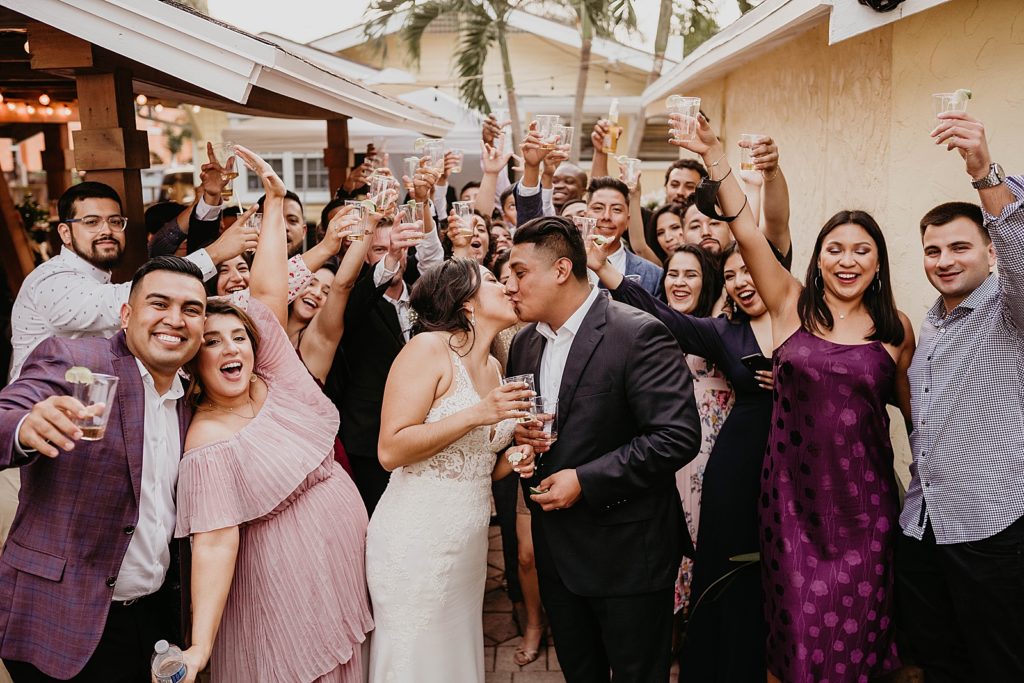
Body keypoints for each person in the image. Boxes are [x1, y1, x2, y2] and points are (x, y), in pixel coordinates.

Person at [670, 111, 916, 683]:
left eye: (861, 250)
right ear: (817, 257)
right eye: (835, 248)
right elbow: (749, 230)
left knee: (861, 642)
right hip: (792, 509)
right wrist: (714, 156)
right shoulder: (790, 304)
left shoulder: (896, 329)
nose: (846, 260)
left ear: (878, 261)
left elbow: (918, 419)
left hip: (867, 511)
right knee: (798, 645)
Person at [171, 146, 373, 683]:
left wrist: (277, 199)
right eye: (213, 341)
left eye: (240, 336)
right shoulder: (208, 440)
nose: (232, 347)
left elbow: (265, 291)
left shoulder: (274, 375)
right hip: (284, 586)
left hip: (340, 567)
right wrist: (199, 646)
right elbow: (213, 544)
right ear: (193, 359)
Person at [504, 216, 701, 682]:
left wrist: (584, 480)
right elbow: (540, 427)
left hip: (628, 551)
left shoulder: (636, 333)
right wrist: (525, 446)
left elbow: (676, 436)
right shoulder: (524, 344)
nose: (509, 285)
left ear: (559, 269)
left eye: (519, 272)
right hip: (558, 553)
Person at [0, 256, 207, 680]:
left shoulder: (192, 398)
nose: (175, 319)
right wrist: (26, 426)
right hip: (61, 615)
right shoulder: (75, 358)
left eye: (191, 309)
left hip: (154, 617)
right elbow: (8, 412)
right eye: (159, 304)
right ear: (126, 315)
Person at [593, 238, 784, 680]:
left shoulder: (806, 324)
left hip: (796, 462)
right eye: (732, 274)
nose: (740, 282)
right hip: (726, 462)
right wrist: (603, 267)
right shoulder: (725, 333)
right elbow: (662, 316)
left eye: (748, 270)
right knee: (718, 564)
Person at [896, 113, 1024, 681]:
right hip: (924, 526)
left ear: (991, 252)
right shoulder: (934, 320)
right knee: (939, 660)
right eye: (932, 250)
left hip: (992, 527)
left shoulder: (1009, 309)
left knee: (999, 662)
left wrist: (983, 172)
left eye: (959, 247)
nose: (944, 259)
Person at [366, 258, 535, 682]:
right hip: (416, 538)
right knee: (415, 658)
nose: (508, 286)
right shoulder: (428, 349)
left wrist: (516, 457)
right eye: (496, 280)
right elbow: (390, 449)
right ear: (467, 302)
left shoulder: (495, 368)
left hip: (467, 541)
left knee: (453, 655)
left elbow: (480, 465)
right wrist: (478, 413)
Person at [8, 181, 248, 381]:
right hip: (40, 418)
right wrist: (216, 253)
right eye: (92, 222)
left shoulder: (96, 279)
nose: (107, 231)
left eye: (114, 221)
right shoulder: (50, 279)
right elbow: (125, 302)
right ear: (64, 233)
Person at [585, 177, 664, 295]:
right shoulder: (565, 264)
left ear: (628, 221)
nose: (606, 216)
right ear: (585, 215)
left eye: (616, 209)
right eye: (598, 208)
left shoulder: (653, 274)